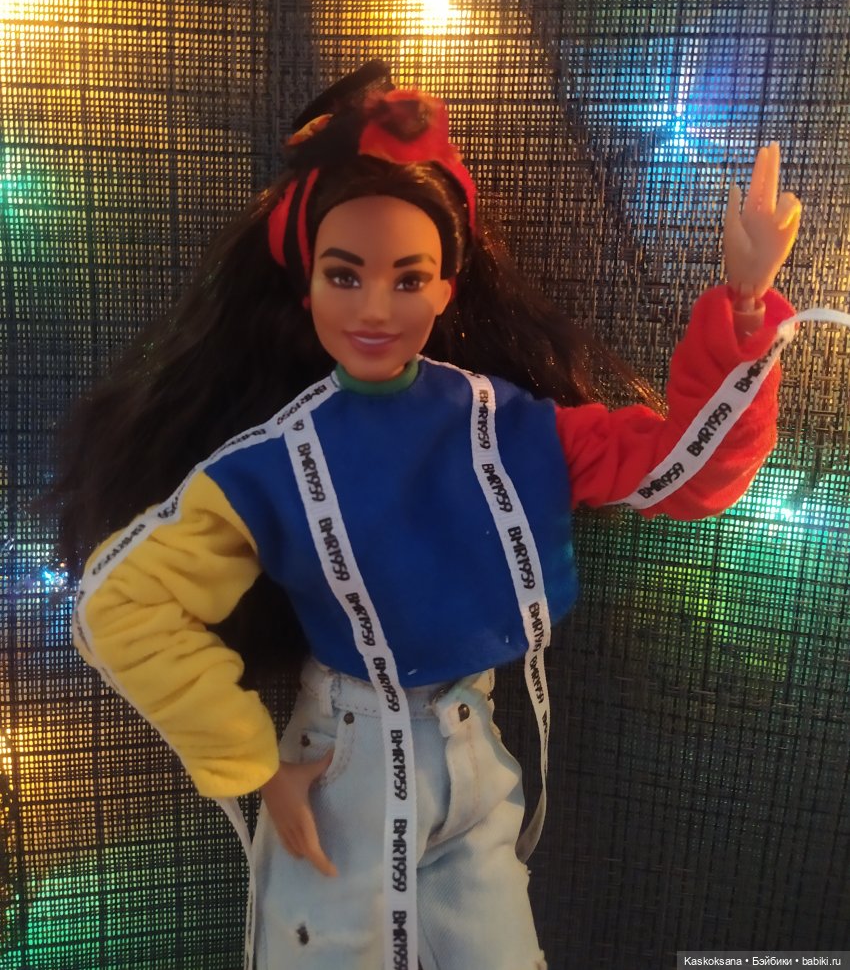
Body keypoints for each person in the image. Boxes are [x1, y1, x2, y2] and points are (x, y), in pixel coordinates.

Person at [50, 61, 800, 970]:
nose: (375, 308)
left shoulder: (509, 429)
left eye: (409, 280)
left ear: (447, 288)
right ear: (307, 286)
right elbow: (120, 602)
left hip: (475, 754)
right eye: (345, 275)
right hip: (345, 766)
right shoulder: (279, 460)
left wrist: (746, 308)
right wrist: (252, 763)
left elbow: (686, 469)